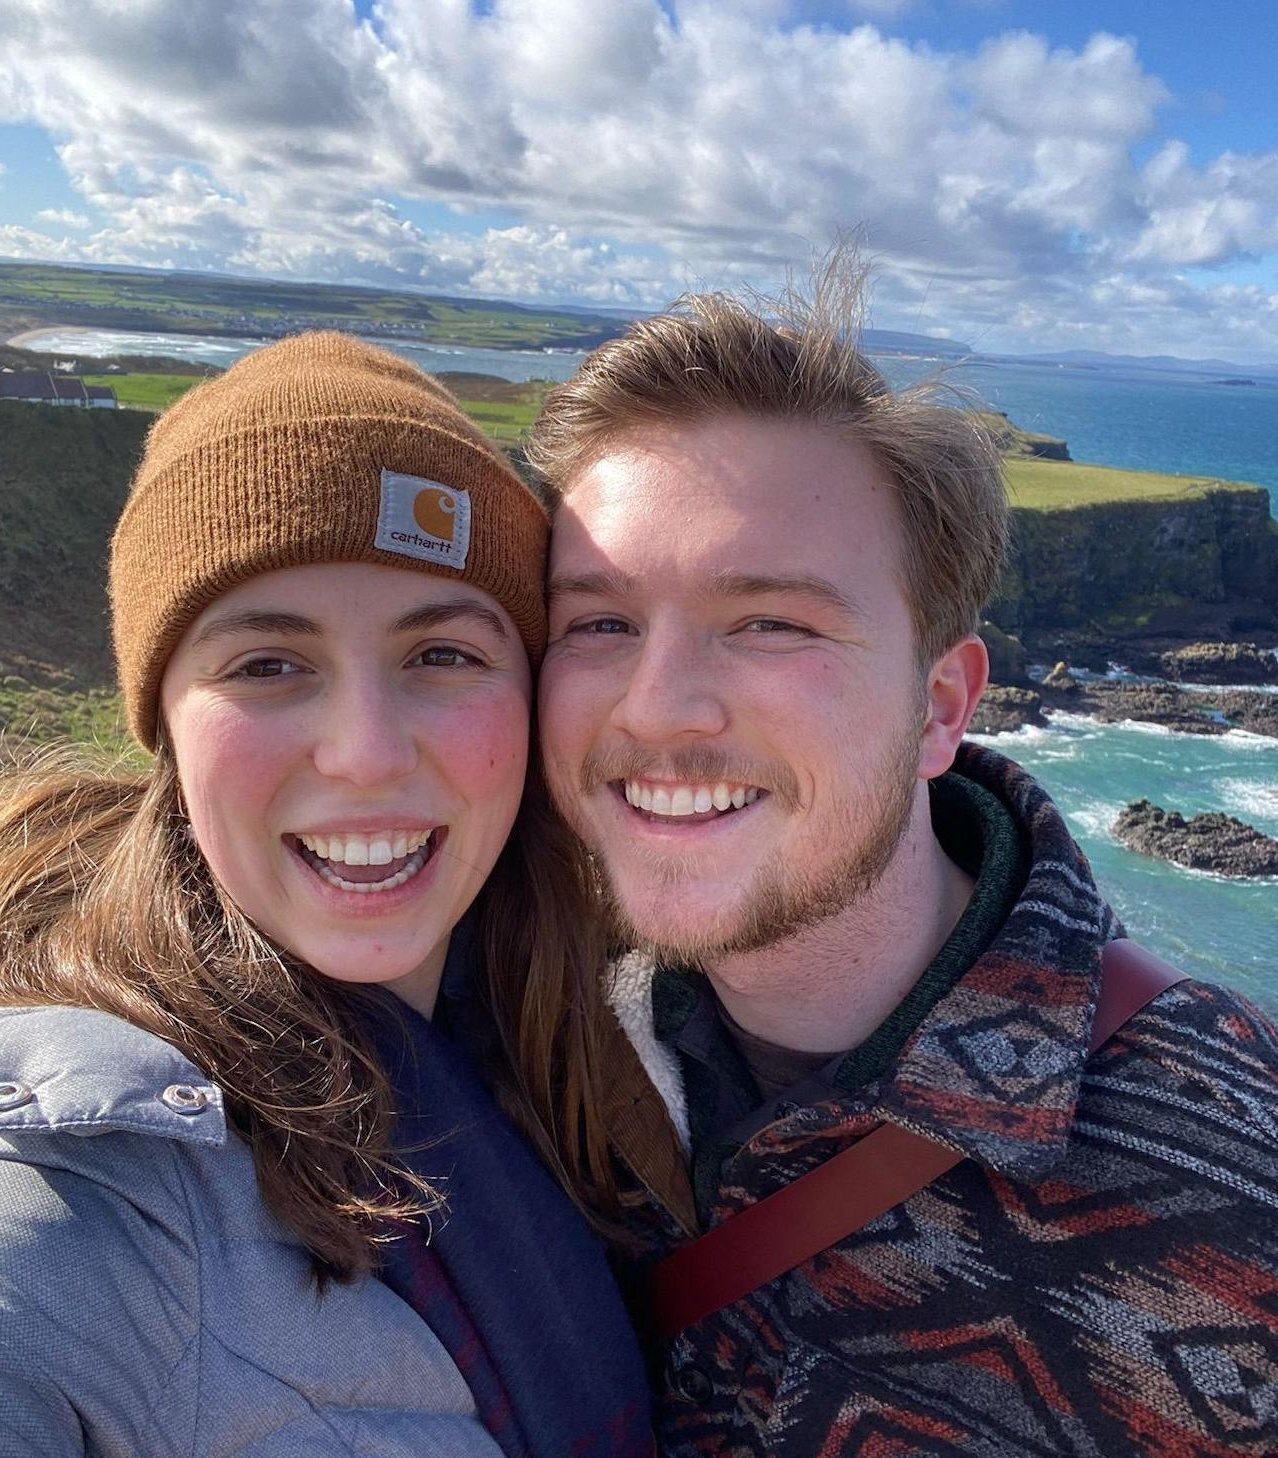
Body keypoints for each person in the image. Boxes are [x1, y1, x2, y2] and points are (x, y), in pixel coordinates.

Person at [0, 334, 656, 1457]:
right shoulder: (75, 1175)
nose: (365, 752)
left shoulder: (603, 995)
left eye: (444, 655)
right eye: (269, 663)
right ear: (164, 721)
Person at [526, 267, 1278, 1456]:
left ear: (940, 708)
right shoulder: (510, 1030)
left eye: (770, 620)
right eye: (599, 624)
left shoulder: (1239, 1176)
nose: (656, 708)